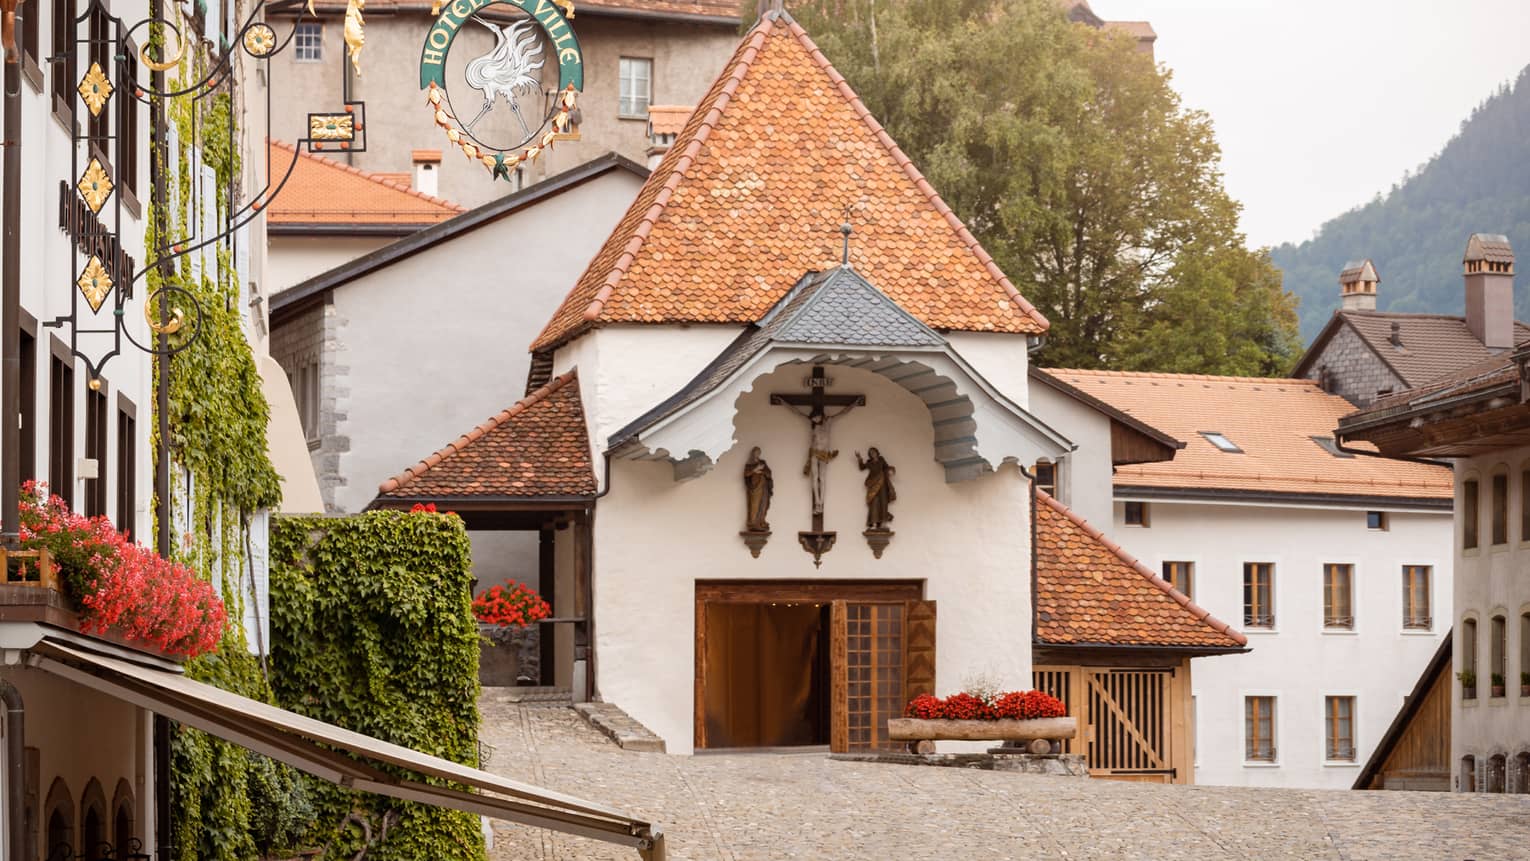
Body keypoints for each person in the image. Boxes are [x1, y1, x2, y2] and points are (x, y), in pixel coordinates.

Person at [855, 447, 896, 529]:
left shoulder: (881, 460)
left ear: (877, 452)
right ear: (869, 455)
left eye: (873, 452)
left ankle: (883, 523)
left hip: (882, 483)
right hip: (873, 483)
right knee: (874, 503)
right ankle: (874, 523)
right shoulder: (869, 463)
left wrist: (890, 471)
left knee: (883, 502)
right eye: (870, 453)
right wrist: (859, 458)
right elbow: (862, 467)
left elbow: (886, 468)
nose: (872, 453)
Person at [743, 447, 773, 531]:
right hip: (754, 488)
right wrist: (754, 470)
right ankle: (753, 523)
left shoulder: (763, 463)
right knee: (754, 505)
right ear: (753, 453)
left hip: (764, 487)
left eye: (758, 452)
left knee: (764, 504)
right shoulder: (749, 464)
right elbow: (746, 474)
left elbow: (769, 473)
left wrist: (762, 471)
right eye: (755, 452)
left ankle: (761, 521)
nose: (757, 454)